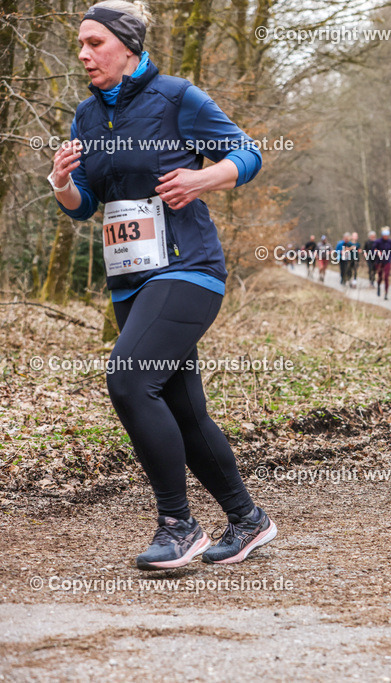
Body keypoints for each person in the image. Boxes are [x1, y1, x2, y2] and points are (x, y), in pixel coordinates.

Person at [48, 0, 276, 569]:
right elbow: (90, 204)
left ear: (128, 47)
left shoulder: (177, 98)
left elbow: (249, 154)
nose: (83, 53)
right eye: (80, 43)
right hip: (130, 282)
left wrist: (202, 178)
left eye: (95, 43)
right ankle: (248, 520)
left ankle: (179, 525)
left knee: (127, 381)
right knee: (183, 408)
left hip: (188, 268)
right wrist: (61, 187)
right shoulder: (86, 116)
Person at [376, 227, 391, 299]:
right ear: (382, 235)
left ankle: (386, 293)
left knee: (386, 276)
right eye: (385, 235)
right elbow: (373, 249)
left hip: (387, 260)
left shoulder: (390, 241)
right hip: (379, 261)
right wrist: (377, 252)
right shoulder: (378, 241)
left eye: (387, 235)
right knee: (380, 276)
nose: (386, 236)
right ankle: (378, 285)